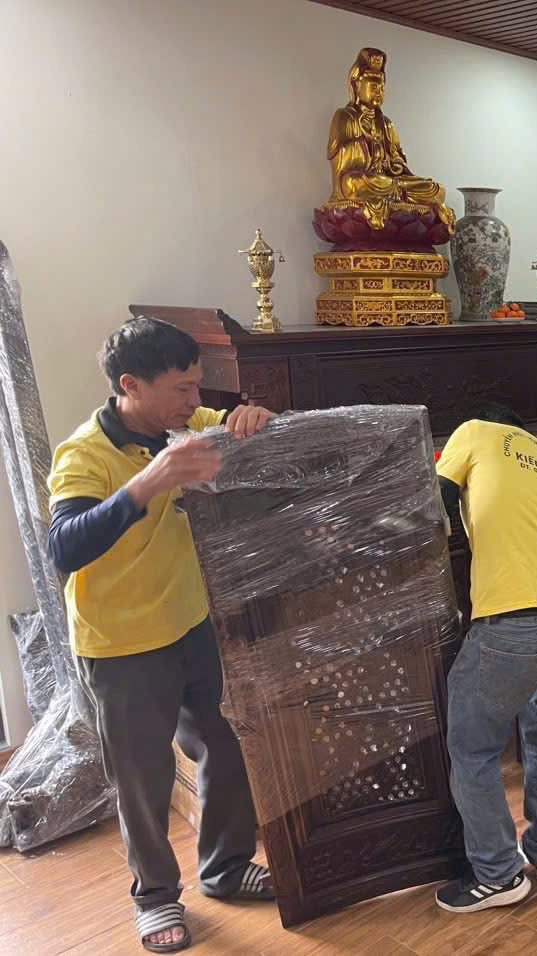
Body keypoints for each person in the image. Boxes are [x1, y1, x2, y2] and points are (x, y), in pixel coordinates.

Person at [47, 317, 278, 953]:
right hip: (122, 645)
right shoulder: (83, 454)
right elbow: (65, 547)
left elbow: (244, 430)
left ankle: (226, 868)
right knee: (142, 779)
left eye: (198, 386)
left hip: (192, 624)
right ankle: (154, 898)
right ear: (131, 385)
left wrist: (253, 417)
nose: (195, 401)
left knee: (226, 747)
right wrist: (152, 479)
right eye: (182, 389)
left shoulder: (189, 424)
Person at [433, 404, 537, 913]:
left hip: (513, 622)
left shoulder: (473, 431)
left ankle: (499, 874)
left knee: (473, 749)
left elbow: (432, 507)